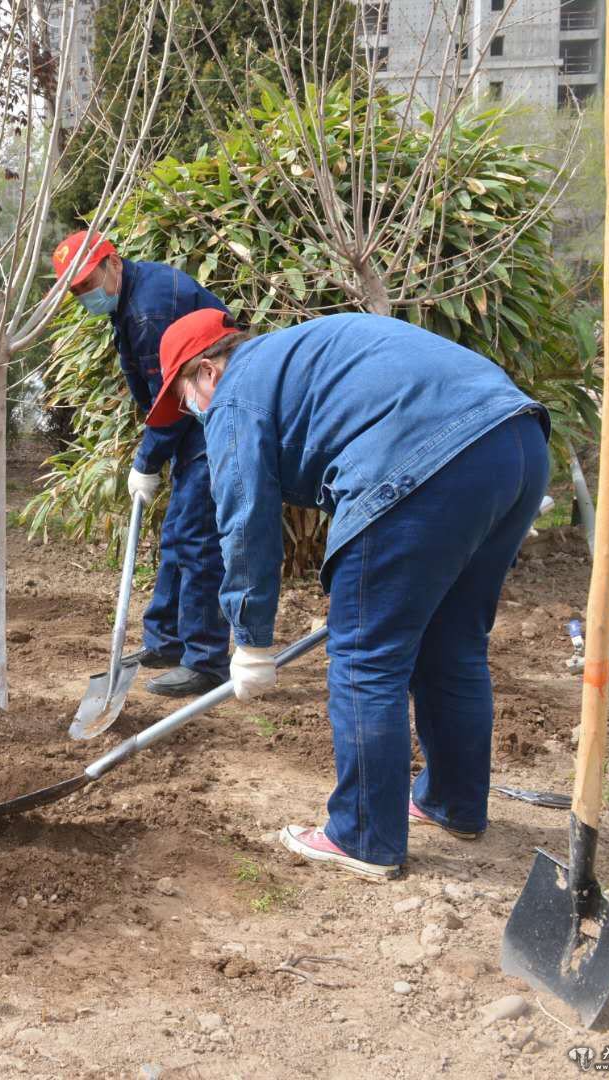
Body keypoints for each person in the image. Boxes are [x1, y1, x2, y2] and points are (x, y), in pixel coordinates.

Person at [147, 309, 549, 881]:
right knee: (454, 644)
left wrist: (251, 639)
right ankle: (452, 802)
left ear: (207, 371)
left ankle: (362, 836)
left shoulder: (235, 395)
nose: (192, 412)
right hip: (518, 442)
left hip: (421, 464)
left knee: (366, 659)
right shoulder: (302, 356)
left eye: (186, 398)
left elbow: (246, 525)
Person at [52, 230, 231, 697]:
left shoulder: (150, 309)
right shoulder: (132, 294)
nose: (84, 295)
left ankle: (207, 661)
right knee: (176, 533)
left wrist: (147, 461)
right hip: (193, 421)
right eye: (75, 291)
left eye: (87, 282)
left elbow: (168, 398)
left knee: (197, 538)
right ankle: (167, 641)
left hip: (213, 421)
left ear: (112, 262)